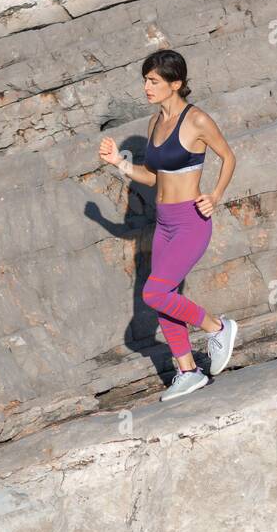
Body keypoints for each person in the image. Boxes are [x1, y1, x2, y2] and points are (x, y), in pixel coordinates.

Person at [98, 49, 238, 403]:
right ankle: (188, 371)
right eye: (145, 80)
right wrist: (119, 163)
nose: (146, 87)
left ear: (175, 84)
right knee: (165, 299)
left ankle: (218, 328)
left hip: (192, 221)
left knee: (154, 293)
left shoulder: (197, 121)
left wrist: (216, 195)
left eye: (154, 81)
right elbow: (155, 177)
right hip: (164, 223)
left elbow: (228, 157)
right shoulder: (154, 124)